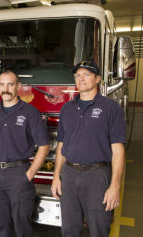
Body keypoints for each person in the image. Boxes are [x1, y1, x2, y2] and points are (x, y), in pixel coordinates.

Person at [51, 60, 126, 237]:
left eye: (86, 74)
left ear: (98, 78)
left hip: (97, 177)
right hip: (69, 175)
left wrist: (115, 185)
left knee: (99, 229)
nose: (80, 79)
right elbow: (62, 144)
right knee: (69, 229)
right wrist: (56, 177)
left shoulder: (111, 108)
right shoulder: (67, 108)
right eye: (77, 75)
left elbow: (118, 150)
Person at [0, 70, 50, 237]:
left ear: (18, 86)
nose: (5, 88)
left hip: (19, 174)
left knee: (22, 224)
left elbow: (44, 146)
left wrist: (29, 175)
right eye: (2, 84)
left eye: (10, 84)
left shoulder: (30, 113)